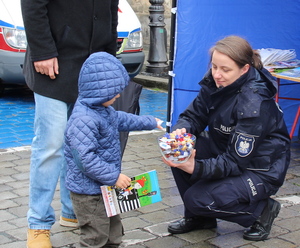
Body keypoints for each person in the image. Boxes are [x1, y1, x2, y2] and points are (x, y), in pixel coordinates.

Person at [163, 35, 290, 241]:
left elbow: (235, 162)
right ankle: (200, 218)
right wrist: (182, 132)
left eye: (225, 69)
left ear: (245, 69)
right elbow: (192, 115)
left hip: (259, 169)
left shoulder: (253, 103)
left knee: (197, 199)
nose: (217, 75)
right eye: (214, 67)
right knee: (181, 151)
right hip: (227, 150)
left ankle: (261, 211)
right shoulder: (215, 83)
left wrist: (195, 168)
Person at [21, 1, 119, 247]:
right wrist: (42, 51)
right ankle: (38, 224)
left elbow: (110, 10)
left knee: (83, 143)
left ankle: (72, 210)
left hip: (92, 68)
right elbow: (33, 5)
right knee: (51, 146)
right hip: (52, 62)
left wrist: (108, 58)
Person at [64, 51, 163, 247]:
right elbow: (85, 159)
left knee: (113, 232)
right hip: (89, 194)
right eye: (114, 92)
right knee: (94, 236)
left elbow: (122, 119)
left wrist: (151, 121)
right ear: (99, 91)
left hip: (105, 188)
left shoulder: (102, 109)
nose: (118, 95)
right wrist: (114, 177)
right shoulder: (83, 119)